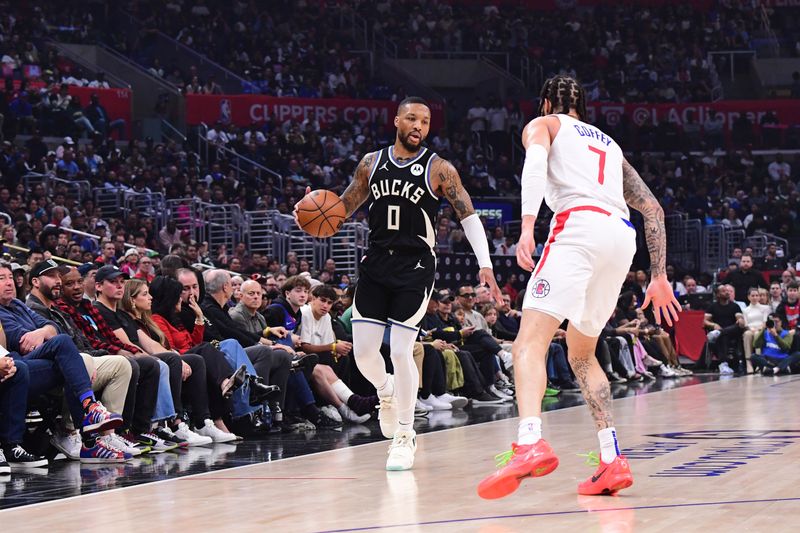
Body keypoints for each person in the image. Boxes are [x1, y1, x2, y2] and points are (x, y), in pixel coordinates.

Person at [477, 76, 679, 499]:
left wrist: (528, 225)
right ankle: (611, 459)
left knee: (527, 343)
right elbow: (653, 208)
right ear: (583, 106)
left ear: (547, 101)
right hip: (621, 238)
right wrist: (658, 274)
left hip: (578, 226)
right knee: (582, 354)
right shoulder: (610, 143)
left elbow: (534, 167)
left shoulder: (544, 124)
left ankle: (530, 442)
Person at [297, 97, 503, 471]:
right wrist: (310, 212)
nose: (418, 126)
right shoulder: (371, 164)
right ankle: (386, 391)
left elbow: (468, 214)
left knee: (401, 351)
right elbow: (342, 209)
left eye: (424, 121)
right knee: (363, 354)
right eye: (411, 118)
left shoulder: (439, 169)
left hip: (416, 266)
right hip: (376, 263)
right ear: (396, 121)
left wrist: (485, 264)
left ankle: (405, 435)